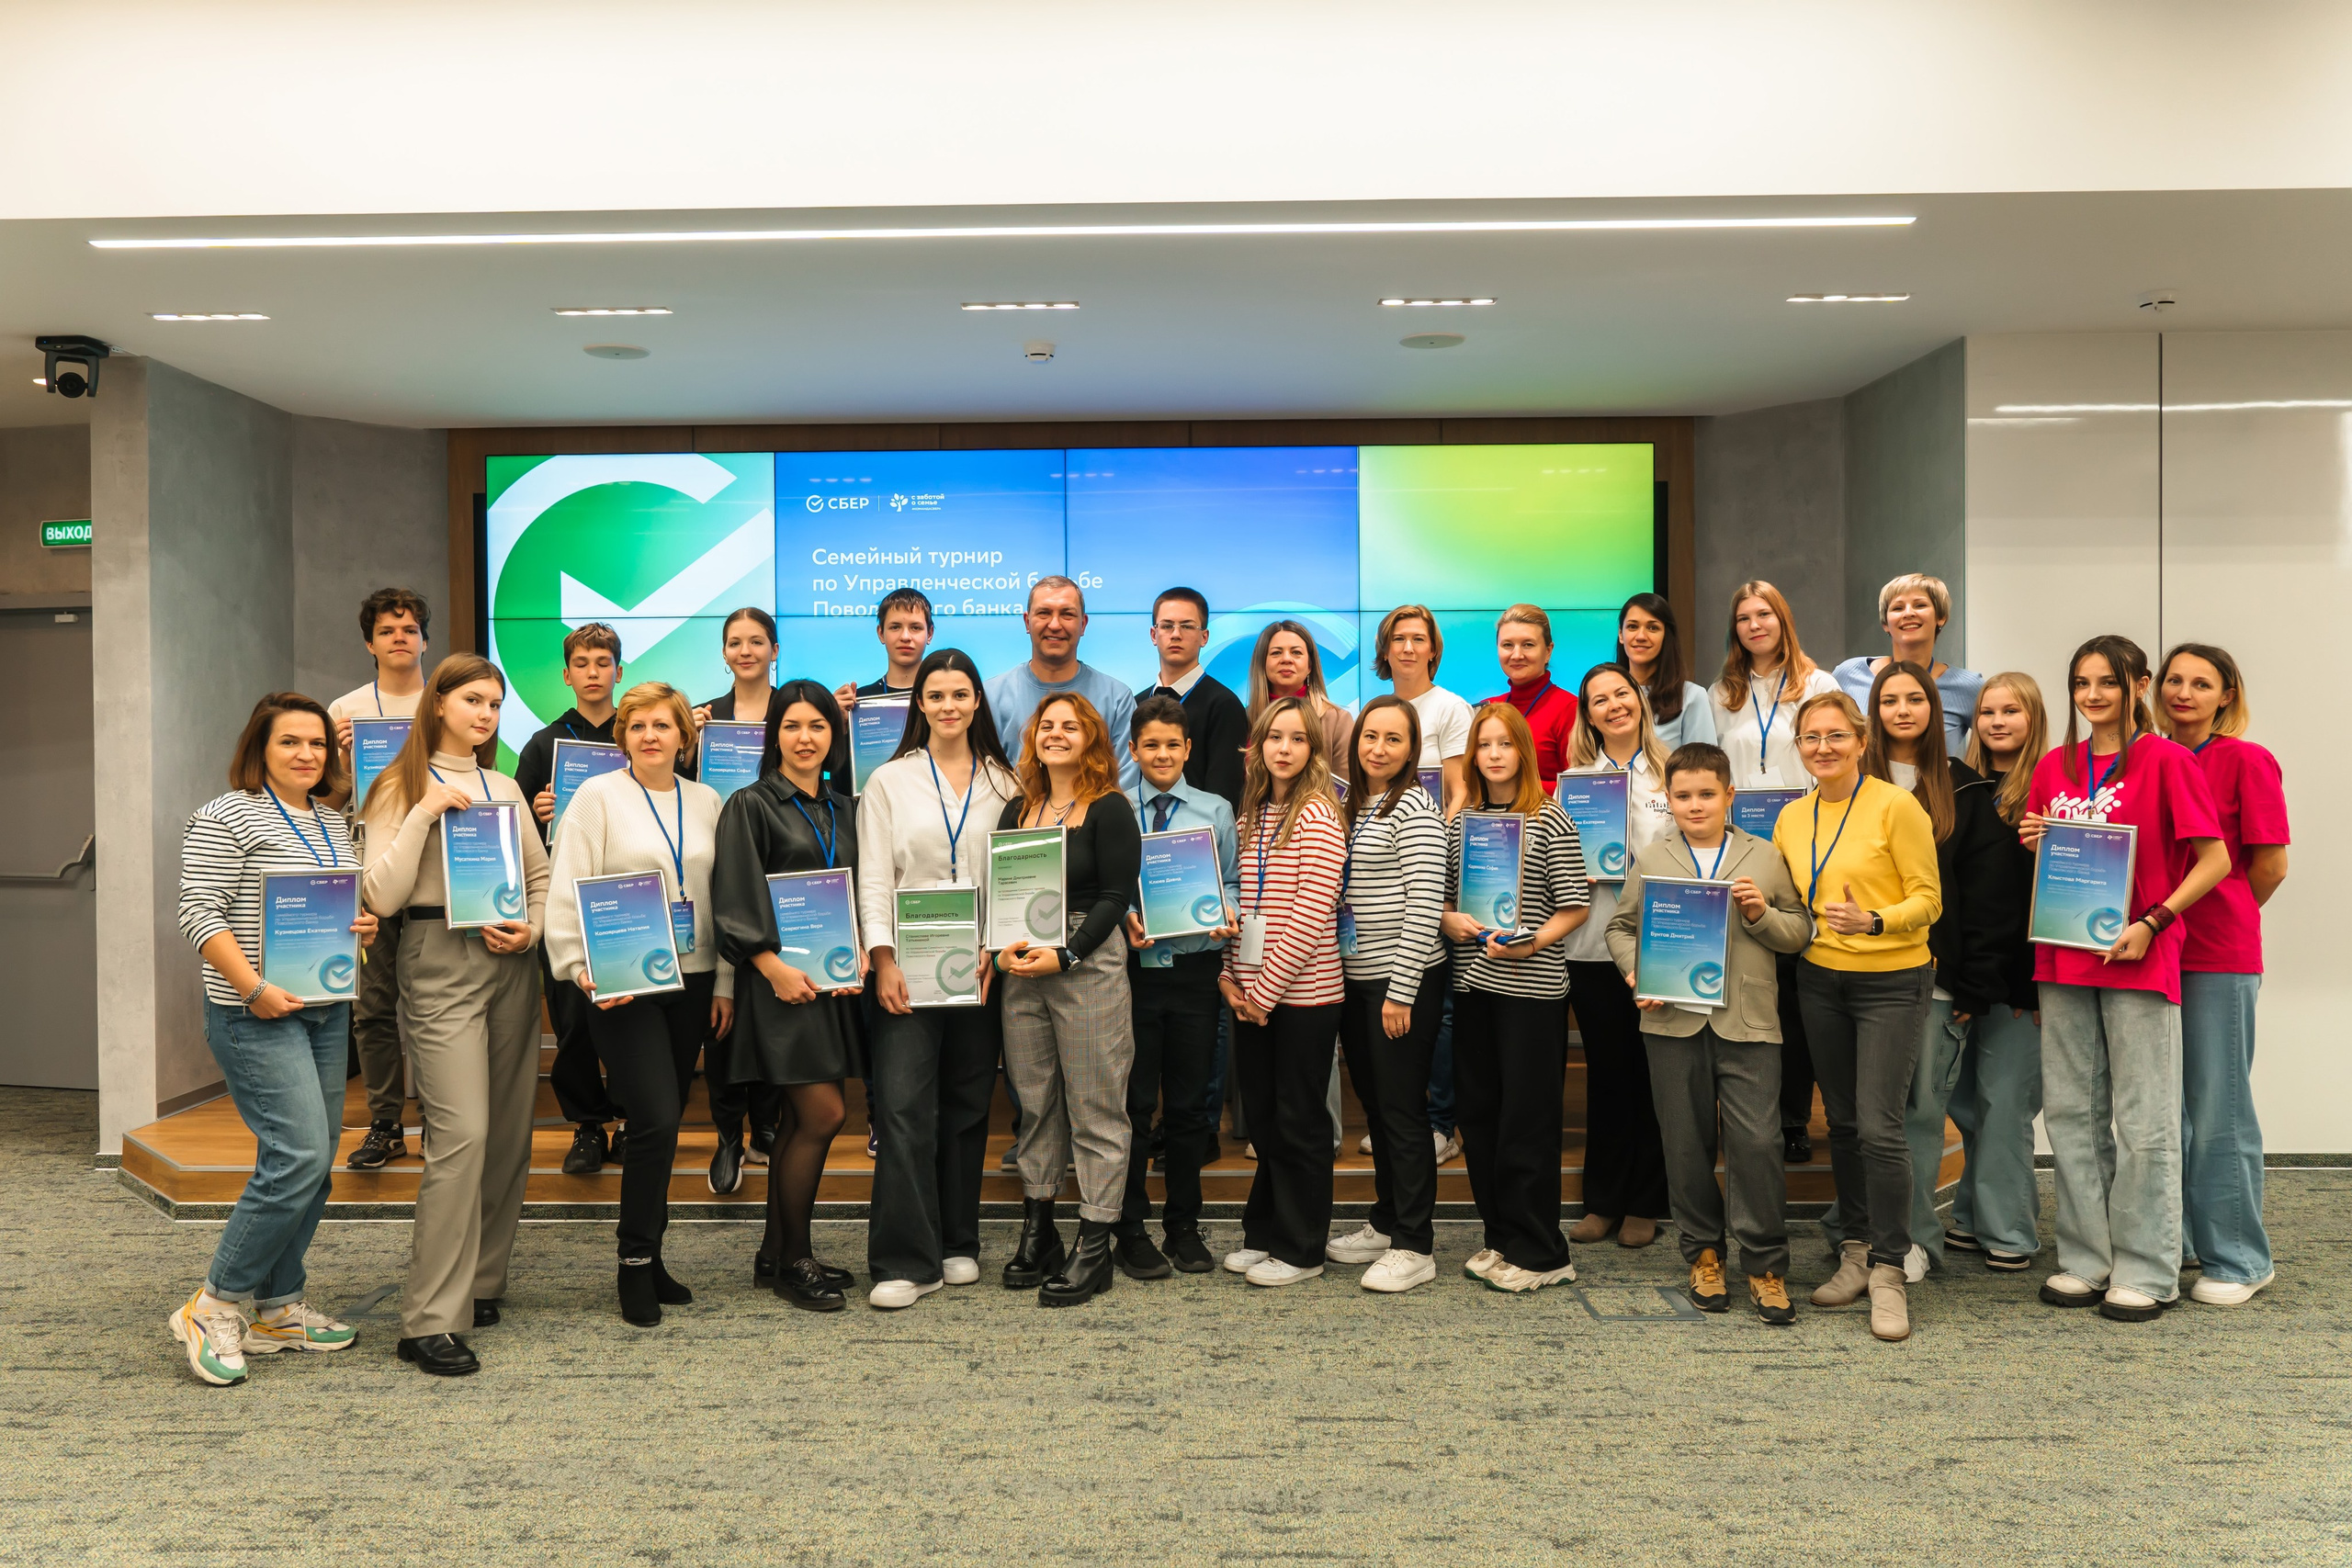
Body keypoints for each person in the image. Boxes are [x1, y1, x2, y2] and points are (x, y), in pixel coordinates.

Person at [2021, 636, 2233, 1323]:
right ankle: (2088, 1257)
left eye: (2107, 682)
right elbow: (2061, 859)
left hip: (2140, 954)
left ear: (2137, 685)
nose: (2092, 696)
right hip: (2064, 955)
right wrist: (2038, 838)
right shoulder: (2055, 766)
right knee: (2074, 1115)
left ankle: (2147, 1266)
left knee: (2144, 1118)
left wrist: (2153, 918)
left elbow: (2215, 861)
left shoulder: (2168, 760)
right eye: (2081, 682)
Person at [170, 693, 375, 1385]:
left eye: (317, 743)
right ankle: (215, 1301)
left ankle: (279, 1306)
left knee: (313, 1163)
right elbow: (198, 910)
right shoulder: (227, 813)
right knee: (297, 1156)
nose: (307, 754)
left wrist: (358, 925)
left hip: (322, 1008)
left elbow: (328, 898)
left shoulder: (329, 819)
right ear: (260, 747)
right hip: (254, 1010)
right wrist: (254, 988)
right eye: (291, 742)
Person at [359, 655, 550, 1376]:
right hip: (438, 954)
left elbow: (538, 878)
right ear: (438, 703)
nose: (487, 714)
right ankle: (428, 1320)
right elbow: (380, 895)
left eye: (496, 704)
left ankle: (480, 1284)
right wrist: (423, 812)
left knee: (505, 1132)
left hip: (512, 959)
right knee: (461, 1133)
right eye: (473, 699)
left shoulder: (503, 784)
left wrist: (532, 928)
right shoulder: (397, 785)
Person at [544, 682, 735, 1327]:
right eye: (637, 725)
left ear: (686, 735)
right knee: (652, 1116)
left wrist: (727, 984)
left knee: (668, 1119)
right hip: (621, 979)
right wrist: (578, 966)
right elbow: (568, 884)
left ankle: (652, 1255)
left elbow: (725, 898)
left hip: (695, 977)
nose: (650, 735)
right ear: (621, 736)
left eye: (663, 725)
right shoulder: (597, 796)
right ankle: (631, 1260)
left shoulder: (708, 799)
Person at [1606, 741, 1812, 1324]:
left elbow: (1799, 931)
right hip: (1670, 1020)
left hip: (1748, 1023)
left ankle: (1765, 1263)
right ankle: (1702, 1254)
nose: (1694, 805)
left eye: (1706, 795)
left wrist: (1759, 916)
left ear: (1729, 797)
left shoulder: (1766, 856)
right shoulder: (1652, 857)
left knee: (1757, 1143)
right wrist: (1634, 970)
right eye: (1682, 795)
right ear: (1667, 800)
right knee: (1685, 1143)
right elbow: (1621, 927)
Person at [855, 649, 1023, 1309]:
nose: (948, 706)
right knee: (901, 1108)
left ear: (977, 701)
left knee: (966, 1105)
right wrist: (883, 957)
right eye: (936, 695)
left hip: (981, 965)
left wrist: (992, 946)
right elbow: (873, 875)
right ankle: (905, 1259)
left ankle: (957, 1242)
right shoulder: (889, 781)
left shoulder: (1006, 782)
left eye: (960, 694)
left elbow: (1012, 877)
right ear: (917, 704)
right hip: (907, 965)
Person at [1771, 689, 1939, 1343]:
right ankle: (1855, 1249)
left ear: (1861, 741)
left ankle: (1891, 1269)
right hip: (1819, 980)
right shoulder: (1791, 817)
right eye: (1811, 737)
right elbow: (1792, 900)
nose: (1823, 747)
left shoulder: (1897, 806)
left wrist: (1875, 919)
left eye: (1835, 736)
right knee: (1841, 1123)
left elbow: (1929, 900)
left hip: (1892, 979)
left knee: (1880, 1126)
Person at [1858, 662, 2017, 1283]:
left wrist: (1974, 980)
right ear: (1874, 710)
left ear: (1935, 709)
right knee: (1867, 1115)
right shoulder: (1850, 782)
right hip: (1858, 976)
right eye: (1889, 699)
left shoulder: (1965, 789)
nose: (1902, 709)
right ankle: (1863, 1232)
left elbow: (1987, 897)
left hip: (1935, 979)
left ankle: (1914, 1237)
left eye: (1915, 699)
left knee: (1920, 1112)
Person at [712, 681, 866, 1313]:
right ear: (773, 732)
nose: (807, 737)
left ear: (835, 735)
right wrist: (771, 966)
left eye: (820, 726)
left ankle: (777, 1252)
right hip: (778, 984)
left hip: (829, 983)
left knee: (809, 1118)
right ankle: (794, 1259)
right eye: (794, 725)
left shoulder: (844, 806)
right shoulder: (750, 804)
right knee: (823, 1114)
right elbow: (735, 896)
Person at [990, 694, 1145, 1306]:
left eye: (1070, 726)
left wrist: (1071, 952)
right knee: (1034, 1103)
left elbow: (1115, 895)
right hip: (1024, 967)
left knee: (1096, 1104)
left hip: (1086, 962)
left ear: (1091, 739)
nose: (1057, 734)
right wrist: (1000, 947)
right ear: (1034, 737)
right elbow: (1004, 888)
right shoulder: (1017, 807)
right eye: (1047, 725)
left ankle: (1095, 1244)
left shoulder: (1109, 808)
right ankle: (1039, 1230)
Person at [1444, 701, 1592, 1293]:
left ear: (1524, 753)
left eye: (1506, 744)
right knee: (1480, 1118)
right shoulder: (1464, 823)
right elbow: (1446, 898)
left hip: (1530, 990)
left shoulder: (1551, 817)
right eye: (1485, 745)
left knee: (1526, 1121)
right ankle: (1502, 1235)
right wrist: (1452, 919)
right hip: (1472, 984)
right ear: (1473, 755)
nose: (1495, 755)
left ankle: (1543, 1251)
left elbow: (1576, 904)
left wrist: (1535, 942)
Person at [2157, 642, 2289, 1306]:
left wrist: (2229, 911)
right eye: (2174, 680)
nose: (2184, 692)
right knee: (2165, 1113)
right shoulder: (2147, 757)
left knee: (2219, 1110)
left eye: (2201, 683)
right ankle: (2180, 1240)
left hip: (2216, 954)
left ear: (2226, 694)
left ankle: (2239, 1257)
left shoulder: (2246, 759)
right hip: (2152, 955)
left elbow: (2269, 865)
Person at [1709, 580, 1839, 1166]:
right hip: (1739, 848)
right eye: (1743, 617)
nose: (1754, 624)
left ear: (1782, 618)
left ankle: (1792, 1118)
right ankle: (1741, 1116)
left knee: (1793, 992)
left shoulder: (1819, 684)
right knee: (1745, 982)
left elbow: (1832, 757)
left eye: (1764, 614)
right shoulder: (1722, 693)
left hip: (1803, 843)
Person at [1217, 697, 1347, 1287]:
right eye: (1275, 738)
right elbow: (1239, 908)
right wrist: (1229, 976)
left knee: (1299, 1123)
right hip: (1252, 995)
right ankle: (1265, 1232)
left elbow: (1310, 913)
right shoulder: (1250, 817)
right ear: (1258, 747)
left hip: (1303, 999)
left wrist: (1263, 995)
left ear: (1312, 749)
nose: (1285, 749)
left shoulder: (1318, 813)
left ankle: (1301, 1249)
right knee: (1266, 1123)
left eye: (1298, 739)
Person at [1327, 696, 1451, 1292]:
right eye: (1369, 736)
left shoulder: (1416, 808)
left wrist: (1400, 993)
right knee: (1377, 1109)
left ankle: (1415, 1243)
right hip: (1355, 981)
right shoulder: (1354, 804)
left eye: (1392, 739)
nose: (1378, 747)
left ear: (1411, 749)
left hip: (1401, 984)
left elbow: (1426, 902)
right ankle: (1384, 1219)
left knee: (1403, 1114)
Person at [1116, 695, 1239, 1275]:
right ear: (1134, 748)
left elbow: (1235, 883)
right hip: (1131, 977)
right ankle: (1130, 1225)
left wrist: (1226, 912)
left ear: (1189, 749)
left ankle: (1184, 1226)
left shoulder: (1214, 810)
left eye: (1173, 744)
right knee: (1134, 1105)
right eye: (1150, 744)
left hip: (1194, 974)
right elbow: (1103, 887)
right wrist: (1124, 920)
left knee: (1190, 1109)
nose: (1161, 754)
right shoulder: (1115, 806)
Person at [1558, 664, 1674, 1249]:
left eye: (1620, 694)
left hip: (1663, 945)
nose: (1612, 706)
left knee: (1654, 1075)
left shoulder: (1672, 777)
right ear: (1589, 715)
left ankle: (1647, 1201)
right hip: (1593, 946)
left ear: (1640, 702)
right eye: (1598, 700)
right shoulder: (1574, 783)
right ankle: (1602, 1199)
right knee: (1606, 1076)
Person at [514, 622, 629, 1176]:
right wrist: (538, 817)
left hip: (630, 900)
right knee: (574, 1020)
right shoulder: (543, 744)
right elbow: (519, 836)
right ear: (566, 674)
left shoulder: (638, 734)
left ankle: (630, 1121)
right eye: (582, 663)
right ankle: (587, 1126)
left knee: (632, 1012)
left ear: (618, 672)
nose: (592, 672)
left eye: (602, 662)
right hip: (565, 898)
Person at [1946, 672, 2050, 1272]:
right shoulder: (1961, 789)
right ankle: (1970, 1214)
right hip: (1969, 977)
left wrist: (2034, 983)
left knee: (2006, 1104)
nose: (1998, 721)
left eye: (2012, 710)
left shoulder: (2051, 793)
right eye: (1988, 711)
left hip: (2021, 981)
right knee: (1968, 1106)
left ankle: (2011, 1230)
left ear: (2034, 719)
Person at [328, 587, 432, 1172]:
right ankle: (386, 1123)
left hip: (436, 874)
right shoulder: (344, 710)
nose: (400, 637)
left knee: (432, 1002)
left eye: (410, 628)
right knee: (372, 1007)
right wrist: (341, 764)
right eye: (388, 630)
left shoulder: (444, 705)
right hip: (367, 872)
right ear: (370, 642)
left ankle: (439, 1121)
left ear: (424, 640)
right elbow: (333, 799)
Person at [685, 607, 788, 1194]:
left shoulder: (794, 708)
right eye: (735, 642)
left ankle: (768, 1124)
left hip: (780, 865)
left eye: (756, 641)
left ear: (774, 648)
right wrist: (687, 743)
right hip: (720, 863)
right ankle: (729, 1132)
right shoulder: (706, 717)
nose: (745, 650)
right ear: (724, 652)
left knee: (773, 1000)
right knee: (722, 1011)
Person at [987, 575, 1139, 793]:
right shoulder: (992, 697)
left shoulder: (1117, 699)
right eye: (1044, 613)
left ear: (1083, 624)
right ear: (1027, 621)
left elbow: (1125, 788)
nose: (1055, 624)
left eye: (1067, 614)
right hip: (1013, 823)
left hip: (1094, 826)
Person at [1831, 573, 1984, 754]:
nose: (1909, 613)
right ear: (1885, 624)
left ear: (1941, 617)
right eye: (1897, 608)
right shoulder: (1849, 674)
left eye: (1920, 605)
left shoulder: (1967, 686)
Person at [1136, 586, 1249, 809]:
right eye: (1167, 626)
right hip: (1138, 832)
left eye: (1187, 626)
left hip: (1198, 837)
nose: (1176, 634)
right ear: (1153, 635)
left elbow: (1223, 796)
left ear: (1204, 637)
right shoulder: (1136, 703)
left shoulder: (1224, 704)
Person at [1374, 603, 1473, 815]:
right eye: (1398, 639)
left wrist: (1440, 843)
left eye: (1418, 639)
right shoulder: (1375, 712)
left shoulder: (1451, 708)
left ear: (1432, 651)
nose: (1408, 648)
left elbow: (1461, 793)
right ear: (1384, 651)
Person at [1481, 604, 1578, 785]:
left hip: (1546, 813)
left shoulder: (1569, 708)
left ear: (1548, 651)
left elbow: (1578, 791)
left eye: (1528, 645)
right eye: (1508, 645)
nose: (1517, 655)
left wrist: (1514, 788)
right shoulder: (1486, 709)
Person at [1615, 592, 1717, 750]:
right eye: (1632, 627)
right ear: (1621, 634)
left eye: (1652, 628)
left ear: (1666, 636)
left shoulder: (1691, 696)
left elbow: (1703, 767)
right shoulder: (1605, 697)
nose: (1641, 636)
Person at [1246, 619, 1354, 762]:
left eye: (1296, 652)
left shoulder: (1337, 720)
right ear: (1262, 664)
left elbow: (1344, 783)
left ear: (1310, 666)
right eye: (1276, 653)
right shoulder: (1242, 718)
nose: (1286, 659)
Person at [834, 586, 936, 709]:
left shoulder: (944, 697)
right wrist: (835, 720)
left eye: (915, 628)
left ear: (929, 634)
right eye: (895, 627)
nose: (905, 637)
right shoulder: (857, 703)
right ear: (881, 634)